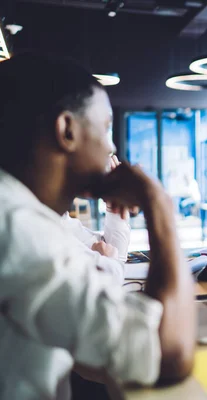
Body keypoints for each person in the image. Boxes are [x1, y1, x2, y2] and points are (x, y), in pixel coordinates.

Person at [0, 53, 196, 399]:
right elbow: (169, 353)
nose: (113, 147)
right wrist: (159, 203)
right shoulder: (18, 228)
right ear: (67, 130)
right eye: (105, 128)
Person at [61, 154, 131, 282]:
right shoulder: (34, 224)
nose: (111, 150)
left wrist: (114, 206)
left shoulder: (61, 219)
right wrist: (156, 202)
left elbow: (114, 252)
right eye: (103, 134)